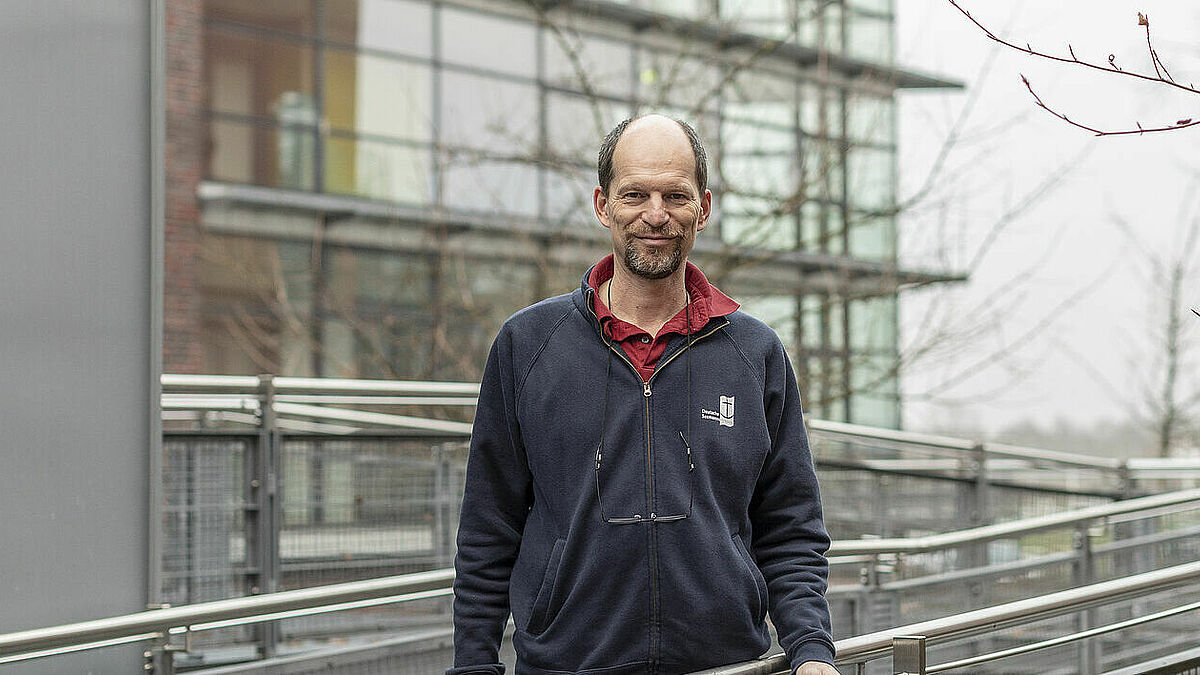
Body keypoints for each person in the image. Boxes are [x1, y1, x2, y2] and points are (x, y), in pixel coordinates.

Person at [448, 114, 837, 675]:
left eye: (675, 196)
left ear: (703, 207)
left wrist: (810, 649)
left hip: (726, 667)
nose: (656, 215)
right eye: (636, 194)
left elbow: (791, 526)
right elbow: (488, 528)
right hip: (568, 666)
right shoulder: (527, 344)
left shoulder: (756, 354)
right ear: (603, 204)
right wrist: (473, 665)